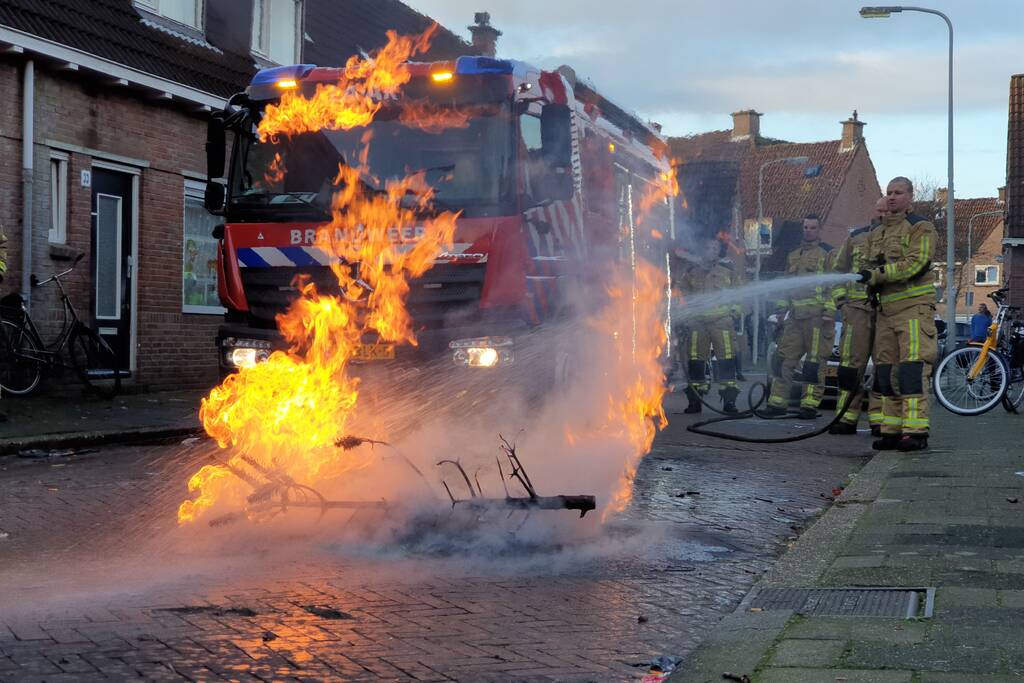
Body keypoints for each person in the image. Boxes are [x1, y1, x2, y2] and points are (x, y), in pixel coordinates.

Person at [858, 177, 938, 451]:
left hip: (914, 310)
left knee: (911, 371)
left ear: (910, 197)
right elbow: (866, 264)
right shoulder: (876, 234)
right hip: (885, 313)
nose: (892, 197)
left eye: (898, 192)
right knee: (885, 372)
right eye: (889, 193)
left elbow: (915, 264)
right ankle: (891, 430)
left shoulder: (921, 228)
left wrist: (878, 274)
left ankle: (916, 431)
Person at [763, 214, 835, 419]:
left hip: (818, 319)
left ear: (819, 230)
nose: (808, 231)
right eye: (805, 227)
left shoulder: (827, 254)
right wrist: (780, 311)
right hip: (794, 318)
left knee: (813, 364)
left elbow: (834, 285)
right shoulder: (793, 255)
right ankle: (777, 403)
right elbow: (788, 286)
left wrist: (829, 312)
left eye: (813, 227)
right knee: (783, 359)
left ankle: (809, 406)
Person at [828, 197, 887, 436]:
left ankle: (880, 420)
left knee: (884, 368)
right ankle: (846, 417)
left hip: (887, 312)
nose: (884, 214)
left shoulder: (901, 238)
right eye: (880, 210)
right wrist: (841, 301)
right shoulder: (855, 238)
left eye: (888, 211)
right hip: (856, 310)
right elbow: (838, 271)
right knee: (850, 366)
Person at [681, 238, 742, 414]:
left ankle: (729, 402)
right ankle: (695, 401)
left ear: (719, 251)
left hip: (721, 322)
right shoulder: (692, 271)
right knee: (695, 361)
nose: (711, 251)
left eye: (714, 248)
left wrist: (734, 313)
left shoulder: (728, 271)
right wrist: (686, 315)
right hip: (697, 324)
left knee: (726, 360)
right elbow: (683, 295)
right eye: (708, 247)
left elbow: (738, 293)